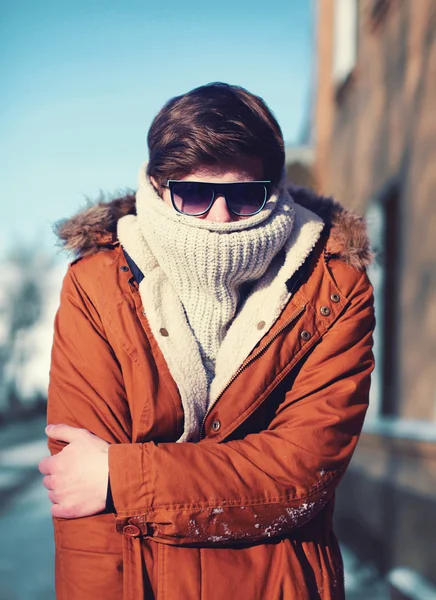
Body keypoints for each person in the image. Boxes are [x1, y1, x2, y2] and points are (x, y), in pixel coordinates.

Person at [38, 82, 375, 600]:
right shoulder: (95, 284)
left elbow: (300, 474)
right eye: (193, 195)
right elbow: (85, 515)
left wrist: (121, 475)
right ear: (156, 185)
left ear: (276, 186)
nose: (219, 219)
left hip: (281, 586)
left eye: (243, 196)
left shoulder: (335, 289)